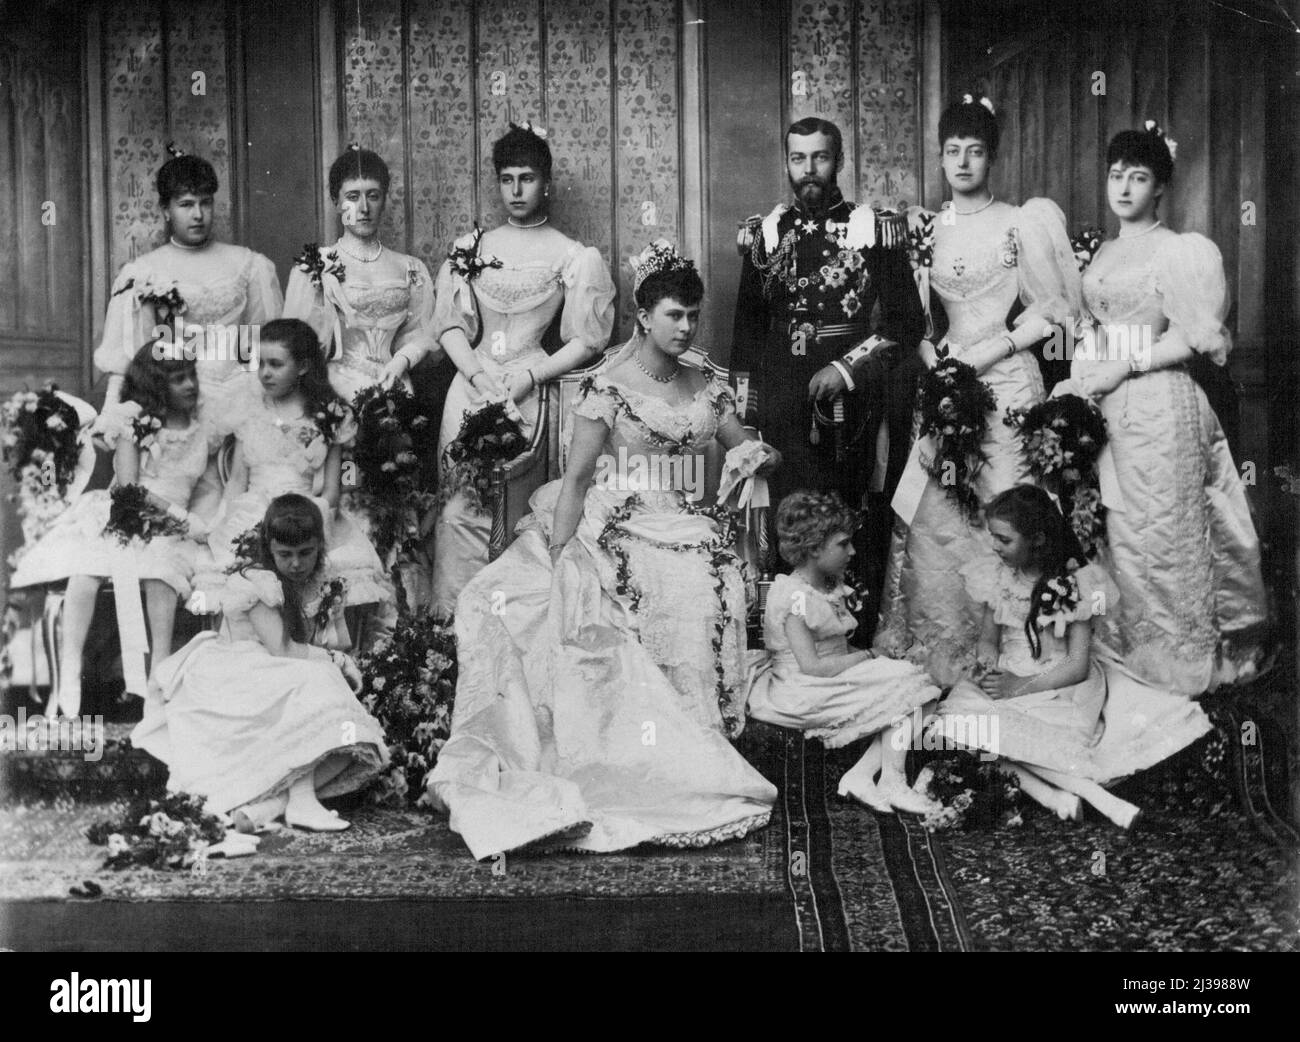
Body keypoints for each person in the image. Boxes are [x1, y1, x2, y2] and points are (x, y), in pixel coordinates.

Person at [427, 243, 778, 859]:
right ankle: (641, 757)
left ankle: (698, 741)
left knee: (709, 573)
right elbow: (581, 477)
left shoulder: (706, 381)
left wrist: (757, 456)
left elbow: (743, 443)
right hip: (614, 519)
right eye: (674, 315)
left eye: (693, 315)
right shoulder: (606, 386)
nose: (686, 327)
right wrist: (561, 553)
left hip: (688, 517)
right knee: (594, 590)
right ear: (644, 316)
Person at [873, 95, 1082, 685]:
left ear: (992, 158)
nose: (963, 162)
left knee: (1006, 499)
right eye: (952, 152)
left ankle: (1023, 647)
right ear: (940, 159)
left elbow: (1051, 312)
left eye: (975, 151)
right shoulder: (928, 227)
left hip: (1008, 379)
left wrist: (988, 353)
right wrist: (932, 358)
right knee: (941, 510)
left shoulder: (1022, 221)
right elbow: (913, 319)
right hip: (947, 382)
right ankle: (945, 644)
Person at [1069, 123, 1267, 695]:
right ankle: (1121, 648)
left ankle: (1175, 658)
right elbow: (1094, 327)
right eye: (1116, 176)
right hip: (1103, 400)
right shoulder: (1102, 250)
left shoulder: (1180, 250)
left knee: (1159, 532)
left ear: (1160, 187)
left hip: (1157, 401)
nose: (1124, 188)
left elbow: (1188, 338)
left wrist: (1121, 366)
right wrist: (1085, 370)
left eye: (1139, 178)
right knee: (1116, 527)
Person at [731, 116, 926, 635]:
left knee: (846, 519)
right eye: (799, 159)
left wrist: (848, 367)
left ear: (838, 161)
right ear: (788, 163)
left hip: (853, 407)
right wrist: (747, 419)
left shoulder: (874, 228)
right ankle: (792, 642)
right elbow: (747, 335)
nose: (809, 170)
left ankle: (850, 637)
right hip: (782, 401)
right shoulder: (765, 234)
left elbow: (908, 324)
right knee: (789, 516)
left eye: (820, 158)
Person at [933, 486, 1212, 827]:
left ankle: (1090, 797)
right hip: (1010, 674)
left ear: (1036, 539)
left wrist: (1019, 687)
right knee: (955, 725)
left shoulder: (1080, 584)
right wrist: (987, 662)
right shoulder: (996, 577)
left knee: (990, 737)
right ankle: (1060, 798)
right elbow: (989, 642)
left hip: (1058, 683)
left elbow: (1077, 666)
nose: (994, 547)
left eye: (1004, 540)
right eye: (993, 537)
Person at [429, 121, 616, 614]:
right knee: (459, 507)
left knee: (515, 504)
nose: (516, 189)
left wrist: (531, 376)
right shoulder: (471, 249)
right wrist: (475, 373)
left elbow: (587, 340)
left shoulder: (571, 254)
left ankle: (510, 624)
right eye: (507, 178)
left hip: (531, 388)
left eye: (527, 178)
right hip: (472, 383)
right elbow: (448, 326)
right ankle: (452, 622)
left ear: (546, 182)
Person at [133, 494, 389, 832]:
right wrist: (337, 660)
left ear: (319, 547)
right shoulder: (256, 581)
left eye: (306, 553)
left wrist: (334, 615)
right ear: (269, 549)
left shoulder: (319, 581)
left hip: (279, 670)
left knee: (345, 737)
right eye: (285, 555)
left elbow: (336, 643)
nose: (296, 564)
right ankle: (298, 800)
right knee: (317, 678)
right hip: (236, 672)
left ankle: (275, 805)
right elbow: (283, 650)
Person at [11, 343, 216, 716]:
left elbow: (209, 486)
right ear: (156, 385)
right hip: (127, 511)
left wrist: (192, 520)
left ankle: (160, 673)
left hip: (171, 527)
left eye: (191, 375)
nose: (189, 385)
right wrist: (178, 516)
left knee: (162, 571)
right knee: (88, 567)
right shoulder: (135, 424)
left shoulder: (203, 429)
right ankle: (70, 669)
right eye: (178, 379)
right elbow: (128, 488)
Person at [93, 147, 280, 516]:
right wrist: (110, 413)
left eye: (206, 203)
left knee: (247, 503)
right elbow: (131, 357)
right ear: (166, 210)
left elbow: (262, 344)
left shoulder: (249, 264)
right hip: (180, 403)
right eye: (186, 204)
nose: (198, 214)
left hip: (242, 396)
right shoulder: (145, 272)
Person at [746, 491, 940, 814]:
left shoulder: (826, 586)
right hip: (802, 689)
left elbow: (836, 647)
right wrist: (871, 657)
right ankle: (890, 780)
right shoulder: (793, 597)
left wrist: (881, 657)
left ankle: (865, 775)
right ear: (813, 548)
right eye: (842, 544)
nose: (851, 551)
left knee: (920, 683)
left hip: (827, 677)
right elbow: (812, 667)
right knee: (917, 688)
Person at [191, 319, 391, 613]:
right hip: (251, 511)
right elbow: (236, 482)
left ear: (303, 367)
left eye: (275, 364)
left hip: (307, 511)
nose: (265, 373)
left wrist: (308, 519)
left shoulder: (328, 416)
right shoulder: (249, 409)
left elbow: (333, 492)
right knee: (236, 560)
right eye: (260, 364)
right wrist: (221, 523)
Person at [283, 146, 439, 404]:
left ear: (384, 200)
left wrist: (402, 359)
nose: (364, 208)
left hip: (396, 392)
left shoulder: (410, 268)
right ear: (336, 201)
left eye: (373, 196)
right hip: (337, 395)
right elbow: (299, 347)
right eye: (353, 197)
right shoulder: (315, 267)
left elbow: (423, 334)